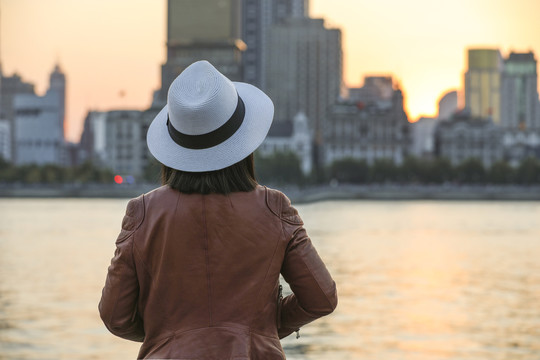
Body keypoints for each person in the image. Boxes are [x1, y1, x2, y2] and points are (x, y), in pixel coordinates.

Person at [98, 60, 337, 359]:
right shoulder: (274, 208)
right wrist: (263, 326)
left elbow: (114, 316)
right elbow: (321, 298)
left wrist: (171, 332)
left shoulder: (143, 212)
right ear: (243, 143)